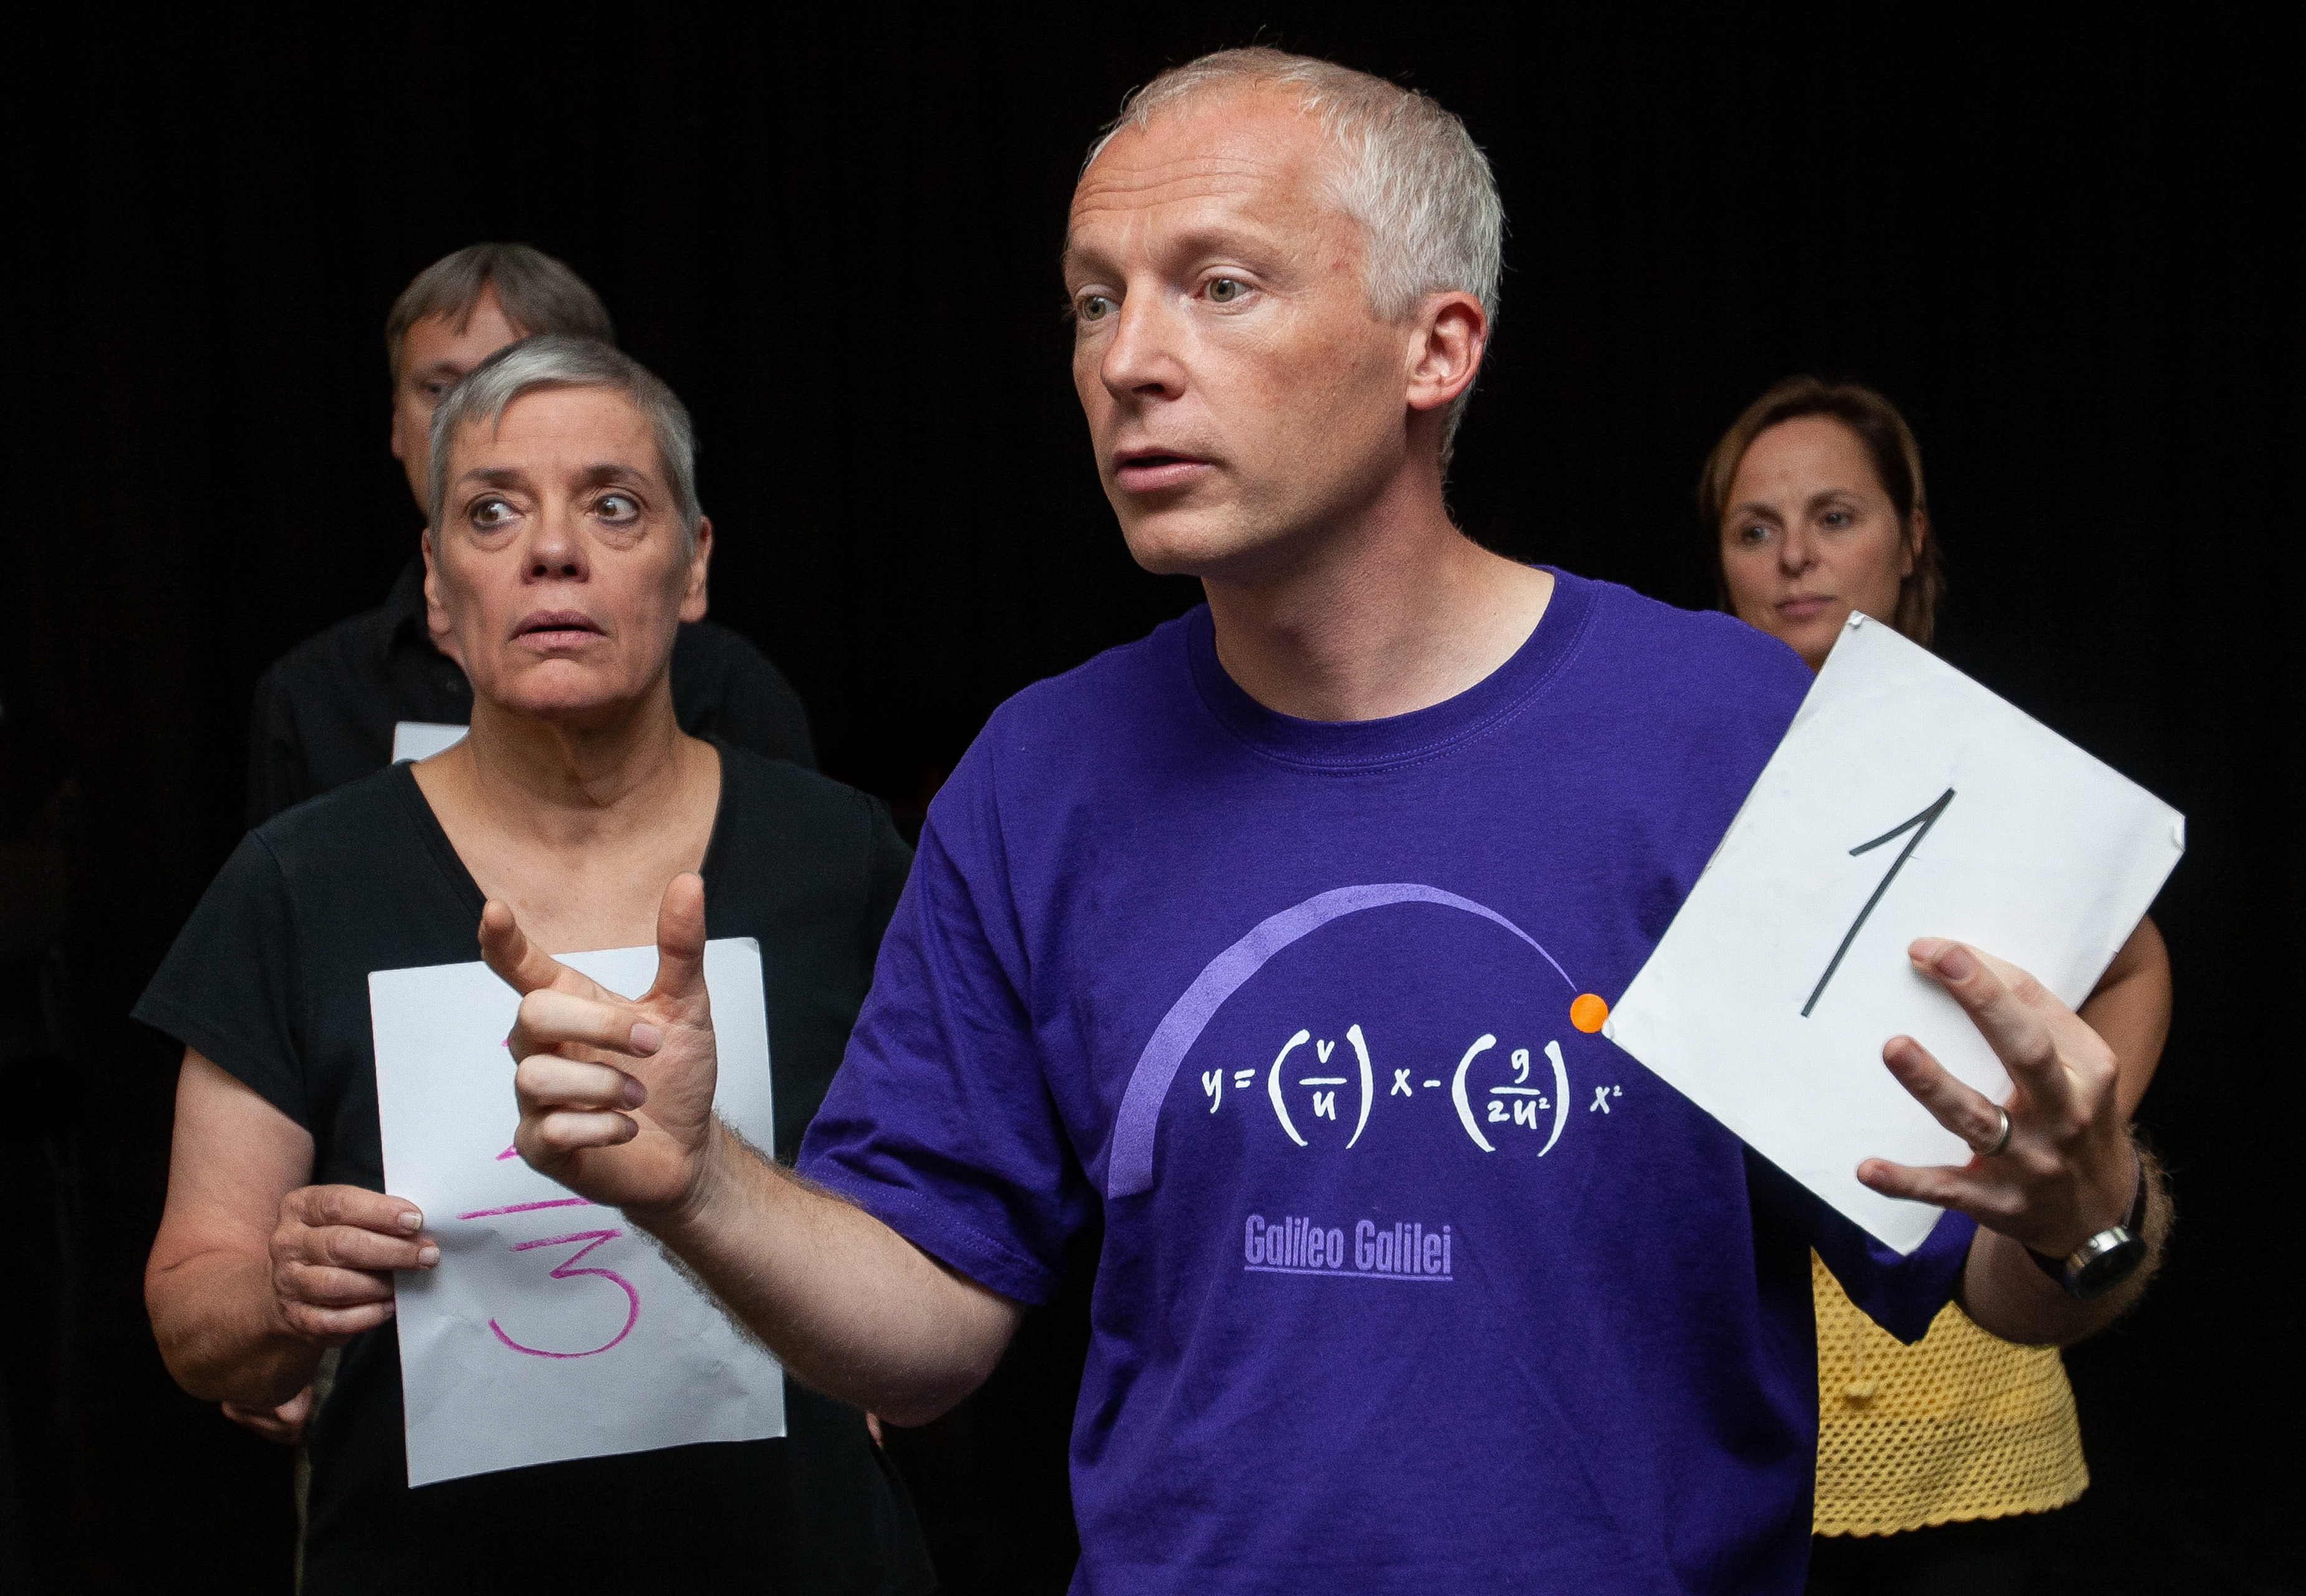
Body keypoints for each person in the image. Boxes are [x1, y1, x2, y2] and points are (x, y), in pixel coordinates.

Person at [488, 50, 2172, 1595]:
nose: (1130, 361)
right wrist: (693, 1184)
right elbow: (928, 1325)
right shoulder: (1036, 776)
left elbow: (2006, 1286)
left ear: (1437, 347)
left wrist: (2085, 1210)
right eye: (1093, 302)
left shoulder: (1728, 729)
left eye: (1219, 287)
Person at [140, 338, 931, 1594]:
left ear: (695, 565)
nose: (552, 550)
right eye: (493, 510)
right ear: (439, 592)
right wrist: (279, 1293)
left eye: (614, 504)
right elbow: (193, 1314)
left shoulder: (846, 861)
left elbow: (951, 1265)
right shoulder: (297, 883)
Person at [1701, 377, 2174, 1592]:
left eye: (1835, 516)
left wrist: (2064, 1139)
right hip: (1739, 1397)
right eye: (1755, 528)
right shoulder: (1675, 762)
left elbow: (2138, 956)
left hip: (1967, 1398)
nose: (1795, 556)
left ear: (1911, 538)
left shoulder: (1990, 768)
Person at [244, 242, 815, 829]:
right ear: (395, 420)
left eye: (516, 379)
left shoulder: (734, 687)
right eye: (440, 389)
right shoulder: (308, 694)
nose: (469, 419)